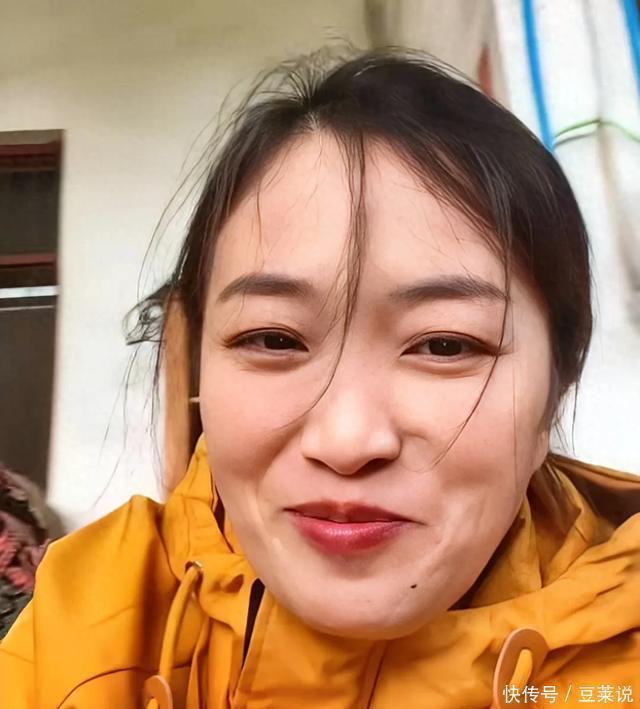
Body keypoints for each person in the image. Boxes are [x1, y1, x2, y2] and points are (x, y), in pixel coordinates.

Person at [1, 49, 639, 709]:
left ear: (555, 388)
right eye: (273, 338)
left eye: (445, 344)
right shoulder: (81, 623)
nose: (347, 440)